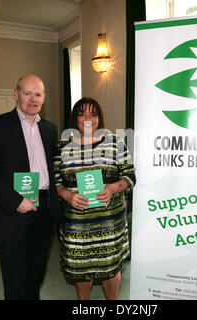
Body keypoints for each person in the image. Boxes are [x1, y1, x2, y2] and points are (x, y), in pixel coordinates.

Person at [0, 74, 62, 300]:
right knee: (15, 283)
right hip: (11, 213)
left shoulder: (51, 129)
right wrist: (17, 201)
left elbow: (56, 169)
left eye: (38, 94)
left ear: (44, 98)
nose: (33, 99)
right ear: (16, 94)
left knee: (35, 277)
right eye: (27, 93)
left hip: (44, 212)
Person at [53, 97, 135, 300]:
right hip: (77, 227)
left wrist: (113, 188)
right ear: (75, 118)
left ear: (100, 118)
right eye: (82, 113)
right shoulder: (62, 146)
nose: (88, 118)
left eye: (94, 113)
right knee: (81, 270)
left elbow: (130, 176)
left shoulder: (115, 143)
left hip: (109, 225)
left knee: (110, 270)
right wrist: (67, 194)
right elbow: (54, 181)